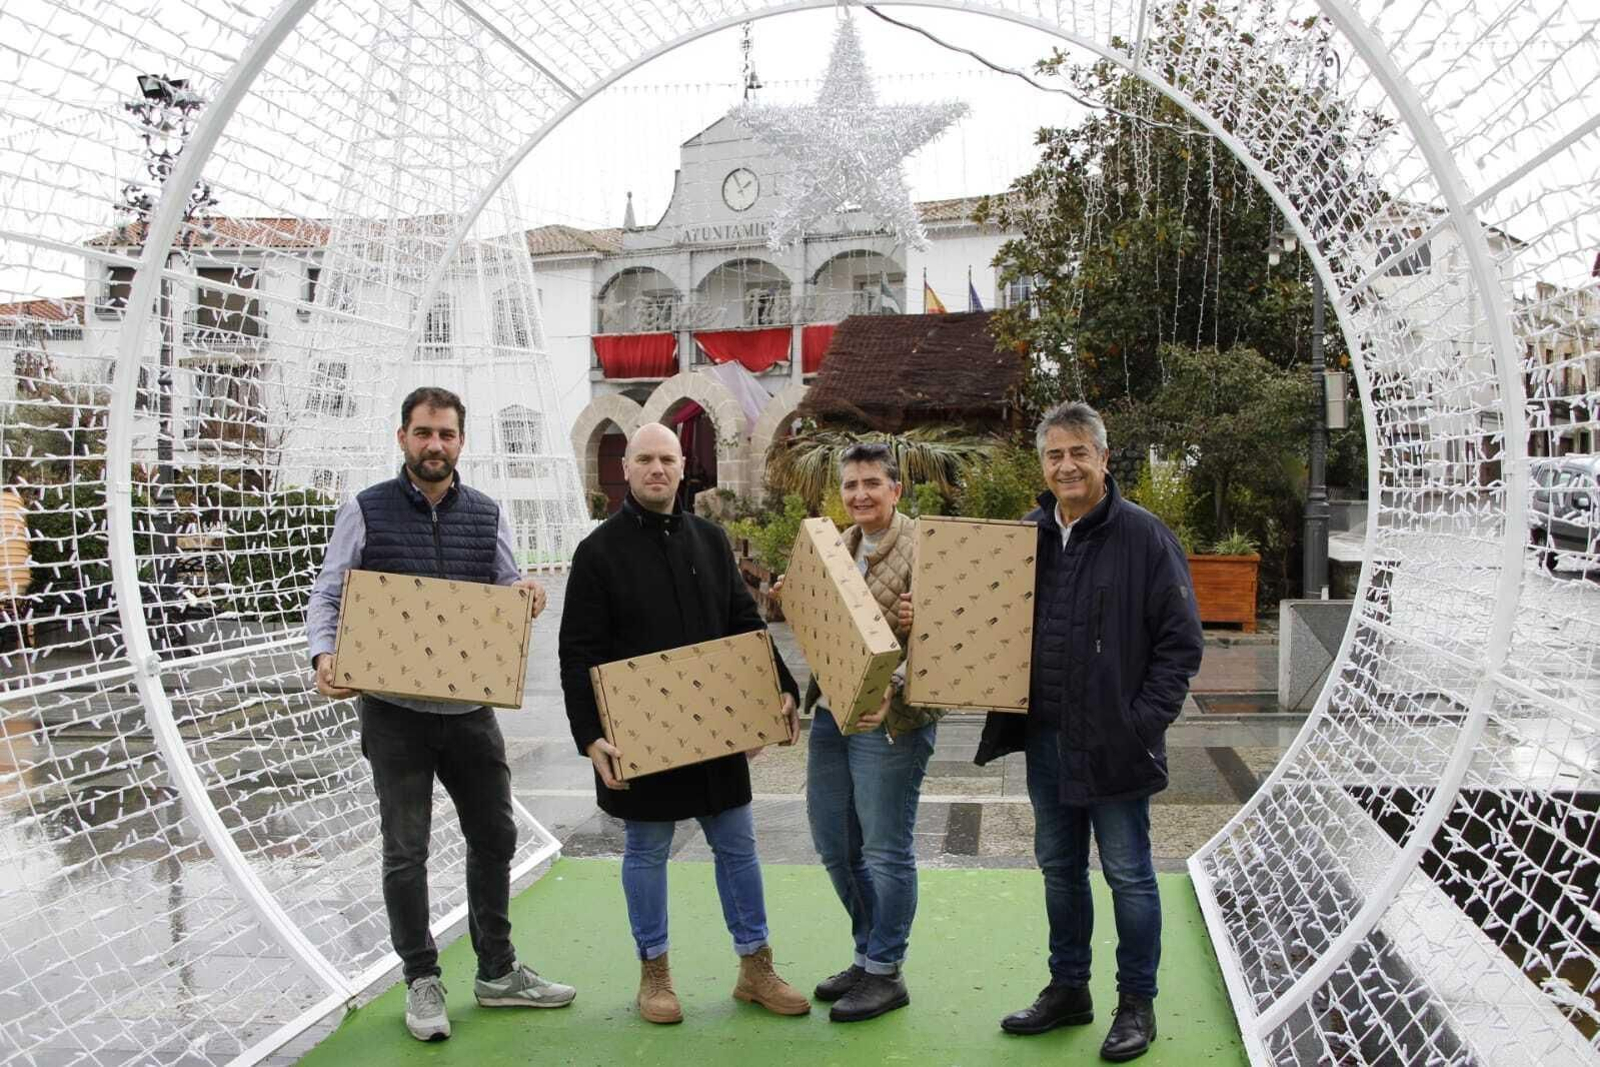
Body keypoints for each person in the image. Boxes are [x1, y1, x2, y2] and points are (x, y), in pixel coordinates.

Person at [308, 386, 575, 1043]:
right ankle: (421, 977)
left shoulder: (485, 513)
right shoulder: (366, 509)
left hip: (468, 709)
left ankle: (498, 970)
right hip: (394, 712)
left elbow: (508, 585)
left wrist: (526, 595)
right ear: (403, 437)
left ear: (461, 441)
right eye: (424, 432)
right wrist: (322, 655)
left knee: (496, 834)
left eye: (447, 434)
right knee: (407, 850)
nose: (435, 444)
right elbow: (330, 589)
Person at [558, 422, 810, 1025]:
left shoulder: (711, 540)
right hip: (636, 735)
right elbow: (578, 650)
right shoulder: (597, 553)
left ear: (681, 468)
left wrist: (777, 687)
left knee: (739, 848)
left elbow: (744, 623)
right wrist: (591, 736)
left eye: (667, 459)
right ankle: (655, 974)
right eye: (644, 458)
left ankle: (756, 967)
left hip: (714, 730)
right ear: (627, 468)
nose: (656, 469)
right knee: (646, 851)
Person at [975, 401, 1202, 1062]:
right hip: (1046, 737)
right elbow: (986, 624)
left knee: (1129, 874)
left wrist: (1141, 722)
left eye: (1080, 452)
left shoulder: (1144, 537)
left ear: (1104, 459)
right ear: (1042, 465)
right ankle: (1069, 988)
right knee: (1060, 870)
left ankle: (1137, 1003)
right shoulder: (1025, 537)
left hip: (1116, 743)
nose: (1067, 465)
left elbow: (1180, 644)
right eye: (1055, 454)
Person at [771, 442, 941, 1022]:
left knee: (885, 850)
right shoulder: (840, 547)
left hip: (892, 722)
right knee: (833, 842)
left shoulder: (926, 548)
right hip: (834, 714)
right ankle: (868, 954)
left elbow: (952, 643)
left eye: (872, 483)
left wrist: (894, 681)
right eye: (850, 486)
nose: (860, 494)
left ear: (896, 490)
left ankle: (885, 971)